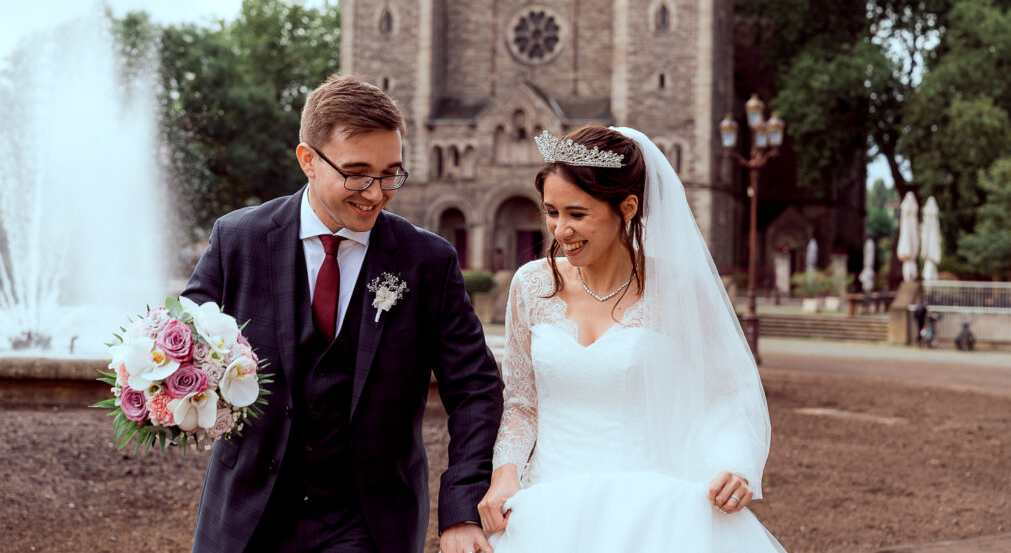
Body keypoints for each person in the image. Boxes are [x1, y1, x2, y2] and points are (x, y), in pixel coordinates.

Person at [182, 75, 502, 553]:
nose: (375, 193)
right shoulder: (238, 239)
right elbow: (183, 341)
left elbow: (475, 389)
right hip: (247, 515)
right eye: (357, 173)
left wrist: (461, 507)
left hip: (369, 523)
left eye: (391, 173)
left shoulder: (427, 261)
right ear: (308, 160)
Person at [477, 125, 784, 551]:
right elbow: (522, 404)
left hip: (655, 509)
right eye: (551, 211)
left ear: (627, 207)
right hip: (548, 506)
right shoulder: (530, 285)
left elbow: (728, 390)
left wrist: (735, 463)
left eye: (578, 214)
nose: (560, 230)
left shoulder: (676, 289)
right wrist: (504, 473)